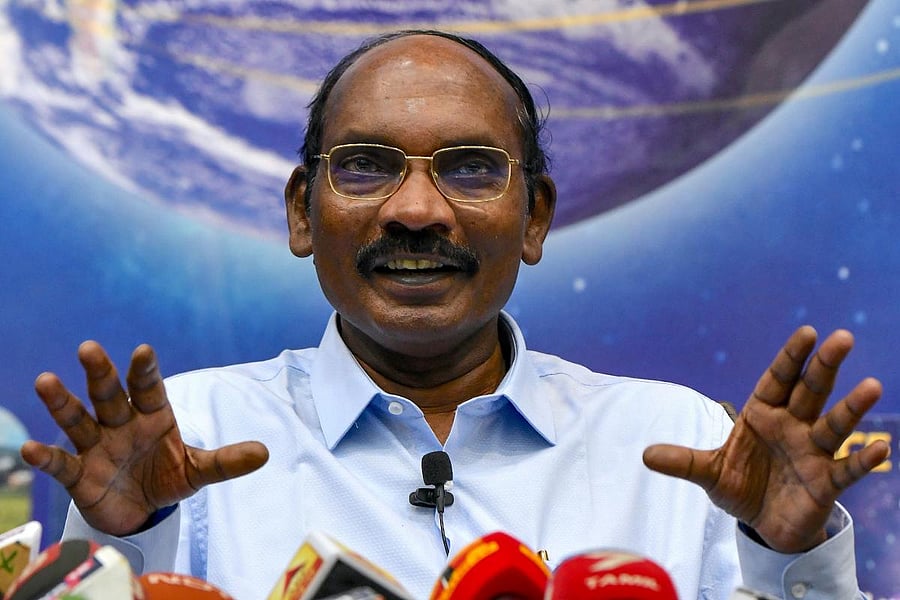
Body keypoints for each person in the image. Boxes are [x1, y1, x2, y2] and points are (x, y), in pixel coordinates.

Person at [21, 30, 888, 600]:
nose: (417, 211)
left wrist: (787, 552)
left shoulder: (677, 446)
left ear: (537, 216)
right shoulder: (194, 438)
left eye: (471, 169)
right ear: (301, 211)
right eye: (365, 166)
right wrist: (116, 533)